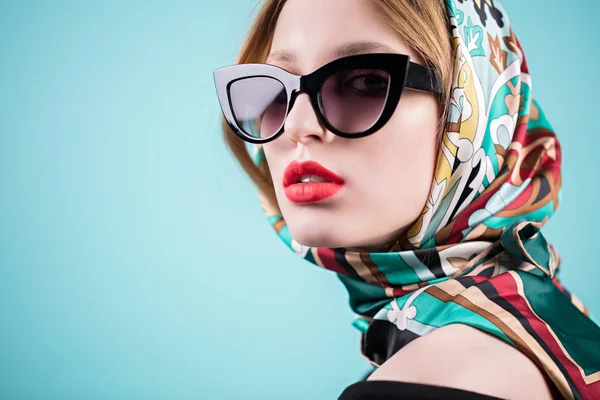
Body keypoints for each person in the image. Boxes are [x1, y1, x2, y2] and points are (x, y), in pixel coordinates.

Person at [212, 0, 600, 398]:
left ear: (474, 108)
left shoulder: (433, 381)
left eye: (364, 81)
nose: (296, 125)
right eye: (276, 91)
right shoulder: (556, 329)